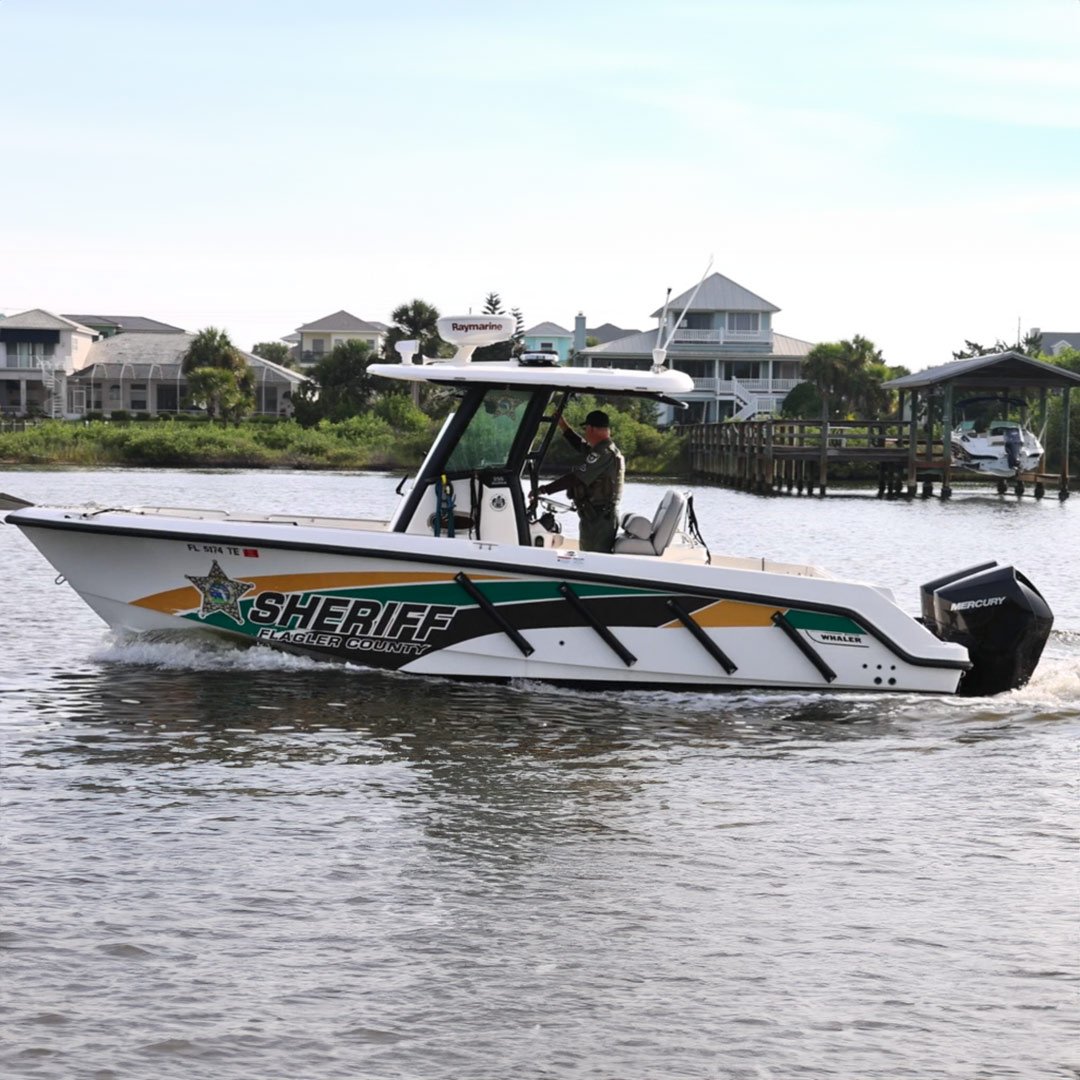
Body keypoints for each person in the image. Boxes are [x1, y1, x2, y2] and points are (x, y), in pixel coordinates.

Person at [536, 409, 625, 552]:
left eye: (585, 429)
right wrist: (563, 425)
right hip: (596, 516)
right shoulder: (603, 449)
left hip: (599, 519)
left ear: (591, 429)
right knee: (589, 556)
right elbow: (580, 444)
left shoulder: (603, 453)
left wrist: (544, 489)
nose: (585, 432)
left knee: (592, 559)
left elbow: (576, 478)